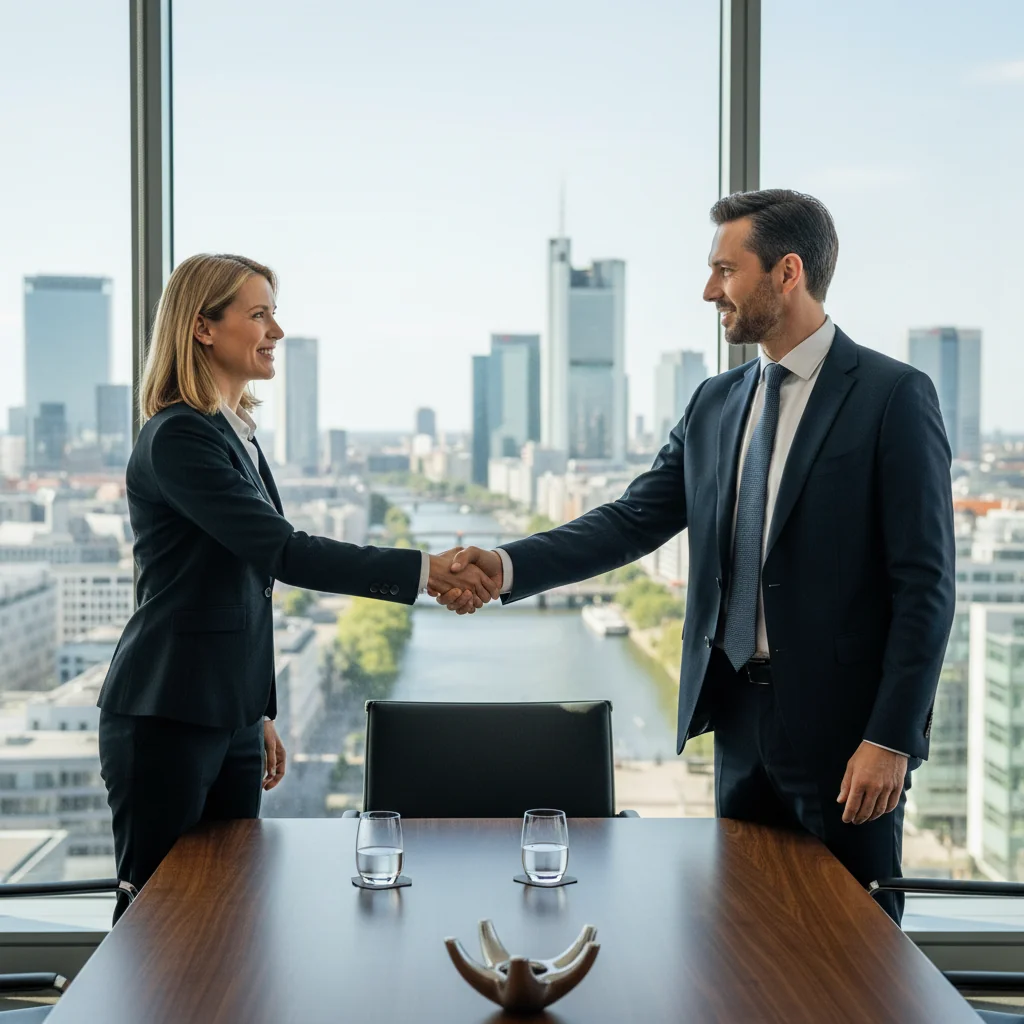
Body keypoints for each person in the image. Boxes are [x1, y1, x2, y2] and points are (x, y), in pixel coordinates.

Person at [438, 190, 955, 924]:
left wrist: (890, 738)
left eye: (724, 269)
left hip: (848, 741)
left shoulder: (892, 396)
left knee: (853, 950)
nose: (709, 290)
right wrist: (506, 565)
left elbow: (926, 586)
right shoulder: (716, 401)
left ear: (787, 273)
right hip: (737, 718)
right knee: (742, 937)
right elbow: (631, 521)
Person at [98, 253, 496, 921]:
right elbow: (281, 552)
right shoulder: (178, 438)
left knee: (229, 909)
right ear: (202, 328)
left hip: (222, 716)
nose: (275, 331)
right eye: (258, 315)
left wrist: (255, 710)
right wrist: (426, 571)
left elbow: (241, 591)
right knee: (158, 925)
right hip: (164, 716)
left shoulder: (235, 438)